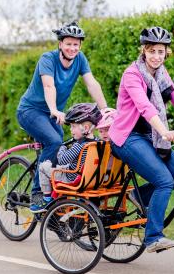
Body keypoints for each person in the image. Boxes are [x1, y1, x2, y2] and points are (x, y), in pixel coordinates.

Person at [108, 26, 174, 253]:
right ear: (144, 51)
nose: (157, 56)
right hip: (127, 137)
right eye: (152, 51)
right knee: (164, 180)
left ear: (166, 52)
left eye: (161, 51)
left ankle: (137, 196)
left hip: (149, 135)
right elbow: (145, 107)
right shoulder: (132, 75)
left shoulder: (162, 74)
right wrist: (164, 131)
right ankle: (153, 237)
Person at [16, 21, 108, 205]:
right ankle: (38, 193)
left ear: (80, 45)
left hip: (52, 113)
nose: (72, 48)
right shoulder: (47, 59)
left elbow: (92, 83)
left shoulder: (80, 59)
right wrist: (53, 109)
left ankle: (56, 191)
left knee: (61, 148)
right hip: (30, 111)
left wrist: (105, 110)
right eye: (68, 43)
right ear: (60, 44)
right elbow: (48, 85)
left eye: (76, 44)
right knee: (54, 141)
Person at [31, 103, 102, 213]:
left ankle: (46, 199)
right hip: (90, 177)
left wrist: (63, 147)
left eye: (74, 126)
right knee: (56, 166)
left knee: (43, 166)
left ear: (86, 128)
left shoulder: (80, 145)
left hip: (71, 177)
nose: (71, 130)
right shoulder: (98, 142)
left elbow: (62, 159)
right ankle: (57, 197)